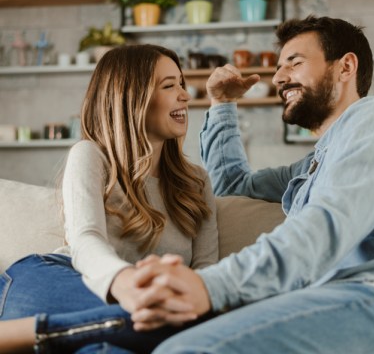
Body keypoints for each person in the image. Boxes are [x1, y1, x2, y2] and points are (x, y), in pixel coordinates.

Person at [124, 15, 374, 354]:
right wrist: (223, 104)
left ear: (346, 67)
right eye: (280, 66)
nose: (279, 77)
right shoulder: (315, 163)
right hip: (327, 299)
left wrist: (211, 285)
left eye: (294, 63)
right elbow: (231, 186)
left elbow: (325, 226)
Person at [0, 44, 218, 353]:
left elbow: (208, 269)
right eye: (169, 85)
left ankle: (27, 336)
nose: (184, 95)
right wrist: (125, 283)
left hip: (134, 310)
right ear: (132, 98)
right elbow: (85, 240)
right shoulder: (92, 155)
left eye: (181, 84)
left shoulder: (196, 181)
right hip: (57, 279)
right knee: (172, 321)